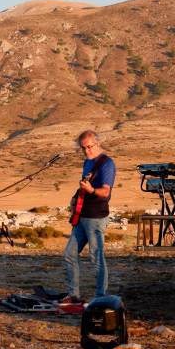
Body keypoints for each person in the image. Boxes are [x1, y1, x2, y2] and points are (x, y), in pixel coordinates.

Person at [62, 130, 116, 303]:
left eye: (89, 147)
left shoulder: (107, 164)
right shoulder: (87, 162)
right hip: (82, 215)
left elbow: (106, 192)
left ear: (97, 143)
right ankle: (73, 294)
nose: (86, 151)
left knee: (96, 257)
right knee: (69, 254)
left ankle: (101, 296)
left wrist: (91, 190)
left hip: (96, 217)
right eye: (83, 148)